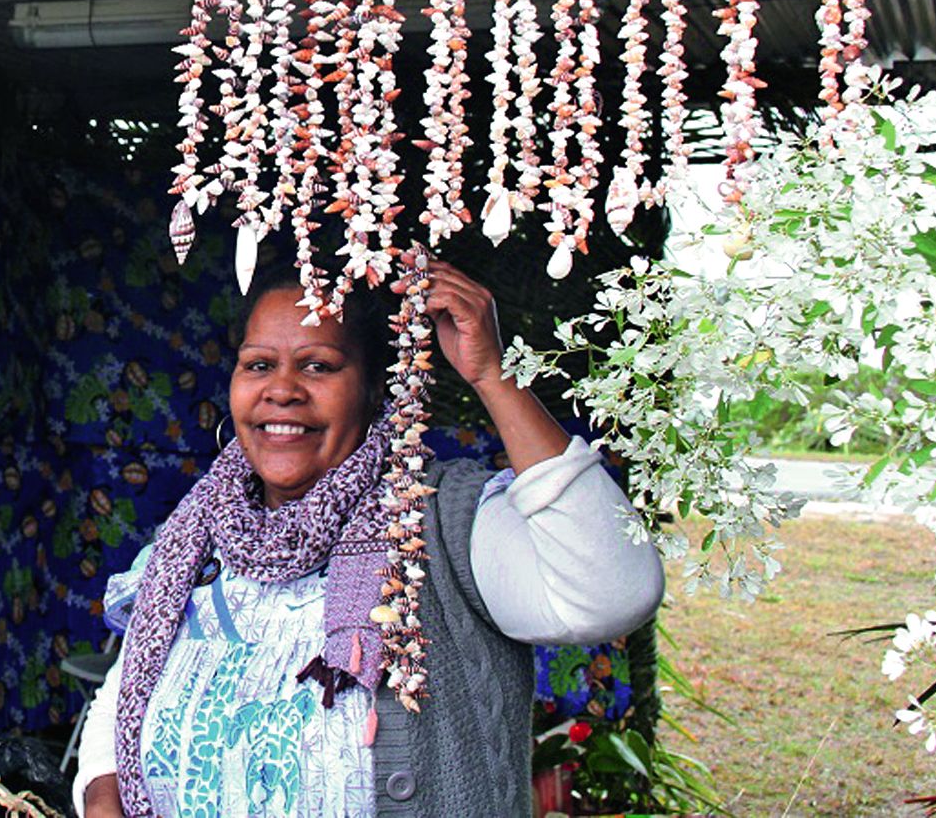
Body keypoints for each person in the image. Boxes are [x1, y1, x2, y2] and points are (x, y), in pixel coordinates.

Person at [73, 259, 665, 817]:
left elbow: (613, 594)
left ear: (374, 391)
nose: (282, 390)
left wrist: (493, 377)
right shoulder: (198, 535)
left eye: (318, 366)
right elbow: (125, 693)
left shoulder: (437, 522)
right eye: (258, 364)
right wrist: (103, 792)